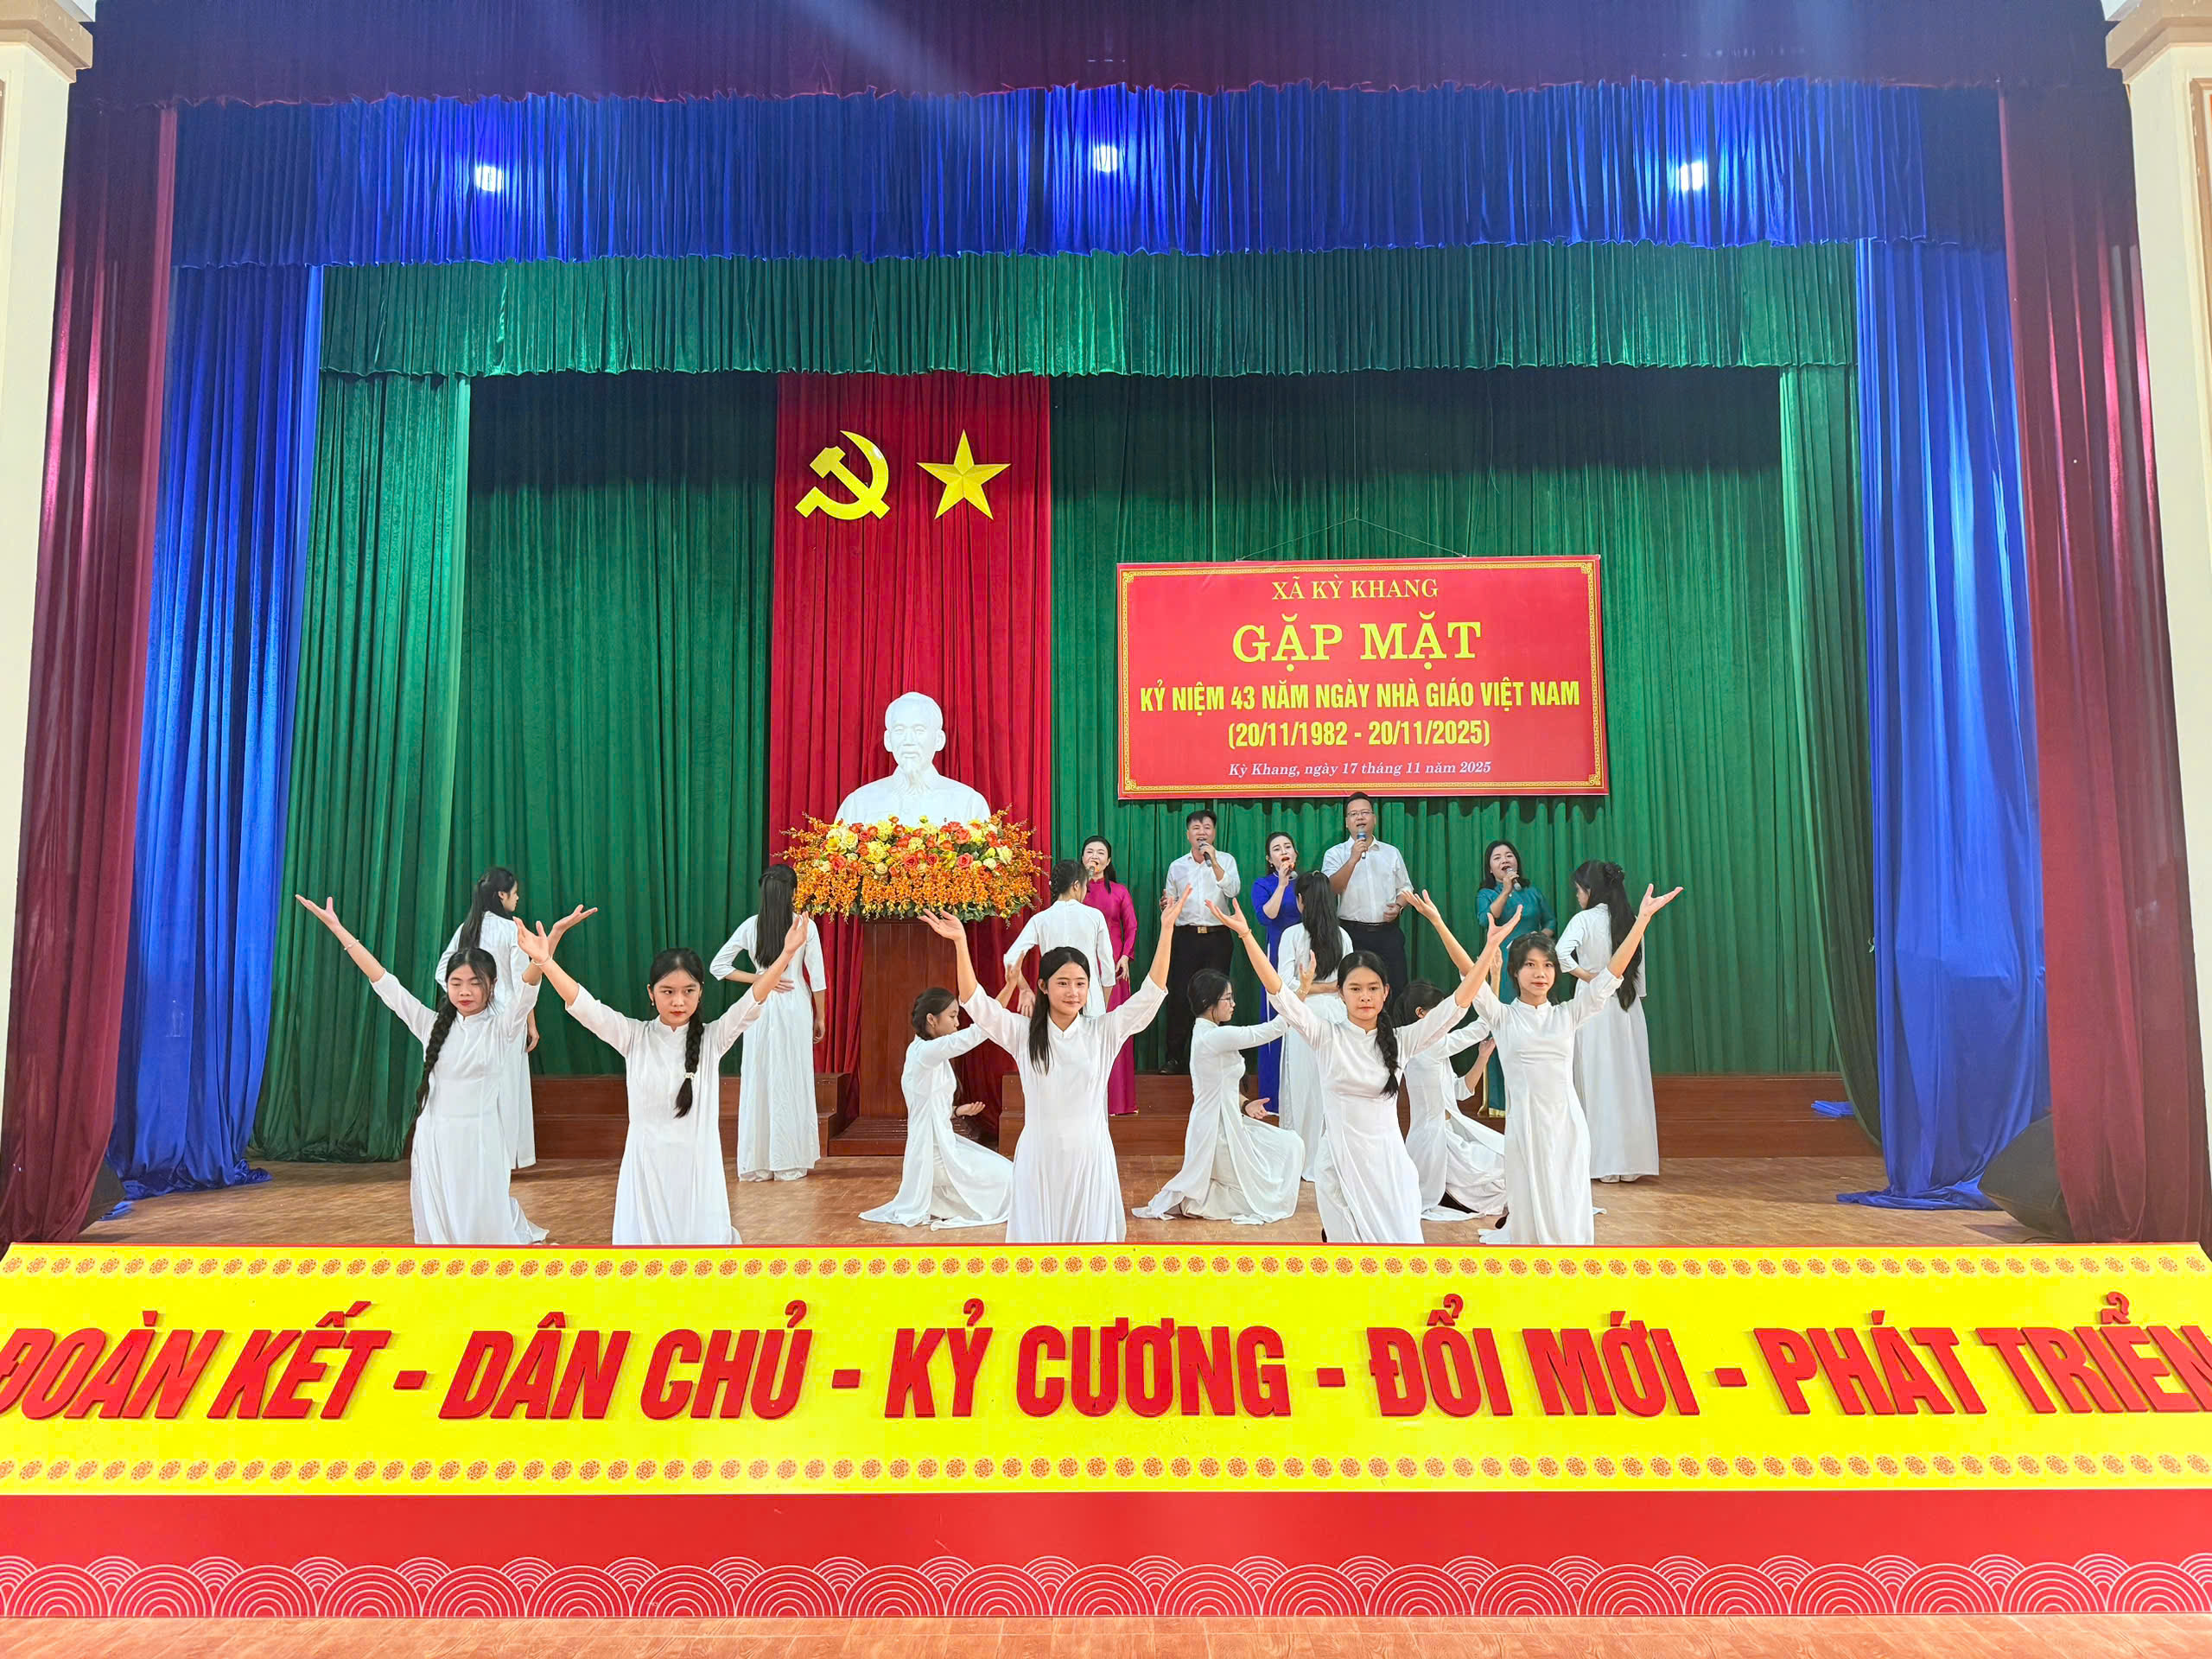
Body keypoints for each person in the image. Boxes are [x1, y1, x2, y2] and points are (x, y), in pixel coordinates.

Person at [294, 894, 587, 1246]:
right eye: (457, 983)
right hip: (434, 1140)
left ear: (492, 985)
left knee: (483, 1224)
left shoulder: (502, 1027)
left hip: (481, 1140)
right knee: (441, 1229)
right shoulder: (430, 1024)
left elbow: (527, 989)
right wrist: (339, 930)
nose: (465, 991)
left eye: (475, 983)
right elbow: (384, 981)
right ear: (447, 986)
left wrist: (548, 944)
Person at [1212, 892, 1490, 1245]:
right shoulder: (1325, 1036)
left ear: (1386, 992)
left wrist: (1459, 933)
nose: (1365, 996)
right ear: (1340, 993)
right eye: (1355, 988)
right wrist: (1246, 935)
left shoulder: (1402, 1041)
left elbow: (1459, 1003)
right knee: (1351, 1263)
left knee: (1400, 1260)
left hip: (1390, 1169)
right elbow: (1278, 991)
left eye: (1373, 988)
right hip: (1340, 1169)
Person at [527, 918, 811, 1246]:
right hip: (646, 1172)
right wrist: (545, 962)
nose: (678, 1001)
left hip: (698, 1172)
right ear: (651, 994)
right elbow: (585, 1006)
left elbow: (753, 1000)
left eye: (688, 991)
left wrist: (787, 954)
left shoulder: (713, 1039)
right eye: (668, 992)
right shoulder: (634, 1037)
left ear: (700, 992)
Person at [918, 890, 1179, 1243]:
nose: (1073, 992)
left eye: (1081, 984)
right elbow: (976, 1003)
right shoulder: (1023, 1033)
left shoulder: (1103, 1032)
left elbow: (1151, 994)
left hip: (1090, 1158)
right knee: (1039, 1252)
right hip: (1039, 1158)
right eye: (1063, 983)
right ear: (1042, 986)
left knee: (1089, 1255)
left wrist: (1167, 930)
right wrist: (961, 943)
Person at [1472, 884, 1681, 1247]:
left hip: (1568, 1126)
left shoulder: (1568, 1014)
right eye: (1530, 965)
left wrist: (1642, 921)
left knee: (1569, 1214)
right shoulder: (1504, 1017)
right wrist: (1482, 942)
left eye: (1548, 965)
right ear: (1515, 972)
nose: (1541, 973)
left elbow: (1612, 974)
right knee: (1530, 1223)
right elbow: (1469, 976)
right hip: (1525, 1129)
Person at [1132, 970, 1304, 1226]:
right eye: (1228, 998)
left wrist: (1246, 1104)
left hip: (1230, 1122)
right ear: (1208, 1002)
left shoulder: (1210, 1034)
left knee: (1290, 1145)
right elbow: (1274, 1029)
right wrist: (1303, 991)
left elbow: (1223, 1086)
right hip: (1215, 1131)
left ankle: (1197, 1197)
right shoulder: (1213, 1037)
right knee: (1261, 1195)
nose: (1233, 1004)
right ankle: (1193, 1202)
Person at [860, 989, 1014, 1230]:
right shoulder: (925, 1052)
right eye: (952, 1016)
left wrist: (958, 1111)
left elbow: (930, 1104)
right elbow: (977, 1032)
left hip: (942, 1144)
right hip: (931, 1152)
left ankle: (939, 1201)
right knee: (1008, 1177)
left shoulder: (928, 1052)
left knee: (1007, 1174)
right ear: (931, 1019)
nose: (957, 1022)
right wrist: (1010, 987)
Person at [710, 867, 828, 1182]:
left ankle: (758, 1164)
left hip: (759, 1005)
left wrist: (761, 979)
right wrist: (821, 1016)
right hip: (794, 1005)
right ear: (793, 892)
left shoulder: (751, 925)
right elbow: (817, 977)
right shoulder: (805, 926)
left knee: (759, 1076)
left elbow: (718, 967)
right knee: (792, 1077)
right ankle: (790, 1162)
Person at [1558, 860, 1661, 1184]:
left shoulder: (1584, 920)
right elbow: (1638, 980)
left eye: (1578, 890)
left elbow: (1560, 954)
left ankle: (1601, 1163)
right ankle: (1631, 1163)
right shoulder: (1630, 920)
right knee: (1628, 1081)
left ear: (1590, 890)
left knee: (1597, 1080)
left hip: (1594, 1007)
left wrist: (1590, 977)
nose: (1577, 896)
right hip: (1627, 1009)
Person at [1391, 960, 1506, 1224]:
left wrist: (1482, 1057)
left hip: (1447, 1137)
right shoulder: (1427, 1046)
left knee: (1507, 1165)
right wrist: (1495, 977)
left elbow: (1461, 1091)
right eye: (1440, 1011)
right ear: (1421, 1014)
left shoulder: (1430, 1046)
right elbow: (1482, 1026)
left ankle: (1450, 1194)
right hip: (1437, 1143)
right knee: (1505, 1168)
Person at [443, 867, 537, 1171]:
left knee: (477, 1089)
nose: (517, 898)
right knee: (506, 1090)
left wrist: (468, 998)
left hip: (472, 1021)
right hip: (507, 1021)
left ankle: (477, 1158)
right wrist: (530, 1024)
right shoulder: (511, 931)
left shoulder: (467, 929)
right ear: (501, 895)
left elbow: (442, 971)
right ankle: (505, 1159)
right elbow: (524, 983)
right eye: (514, 893)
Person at [1272, 871, 1354, 1179]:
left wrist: (1313, 986)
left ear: (1301, 901)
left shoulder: (1292, 935)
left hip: (1304, 1015)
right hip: (1336, 1016)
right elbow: (1347, 983)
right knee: (1331, 1088)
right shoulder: (1343, 936)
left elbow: (1283, 983)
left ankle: (1302, 1159)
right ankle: (1329, 1161)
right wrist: (1330, 987)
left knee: (1303, 1088)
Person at [1472, 838, 1555, 1113]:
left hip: (1533, 966)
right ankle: (1501, 1101)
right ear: (1490, 868)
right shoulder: (1487, 893)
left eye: (1509, 855)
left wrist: (1538, 939)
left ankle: (1538, 1095)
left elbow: (1551, 920)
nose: (1505, 860)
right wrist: (1506, 890)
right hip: (1503, 967)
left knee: (1535, 1025)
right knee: (1505, 1026)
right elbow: (1486, 919)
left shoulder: (1532, 891)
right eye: (1497, 858)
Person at [1160, 809, 1240, 1073]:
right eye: (1196, 828)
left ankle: (1219, 1055)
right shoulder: (1177, 866)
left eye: (1207, 827)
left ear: (1214, 833)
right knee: (1180, 996)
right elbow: (1170, 900)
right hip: (1185, 938)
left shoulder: (1226, 860)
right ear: (1188, 835)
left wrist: (1214, 862)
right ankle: (1174, 1058)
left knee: (1219, 995)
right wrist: (1166, 904)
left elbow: (1233, 890)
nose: (1201, 832)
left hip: (1218, 937)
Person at [1321, 793, 1414, 994]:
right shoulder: (1335, 853)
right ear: (1347, 822)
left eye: (1365, 812)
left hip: (1388, 933)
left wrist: (1398, 906)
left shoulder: (1391, 853)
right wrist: (1352, 859)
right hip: (1351, 935)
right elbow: (1331, 889)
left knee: (1395, 989)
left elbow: (1406, 888)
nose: (1360, 817)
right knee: (1355, 990)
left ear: (1374, 818)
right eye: (1353, 814)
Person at [1003, 859, 1116, 1019]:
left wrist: (1024, 989)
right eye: (1085, 887)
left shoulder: (1040, 919)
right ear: (1076, 885)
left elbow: (1011, 959)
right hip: (1089, 1002)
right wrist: (1101, 1004)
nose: (1085, 892)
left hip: (1054, 1003)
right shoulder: (1095, 916)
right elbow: (1108, 967)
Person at [1078, 835, 1141, 1117]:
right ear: (1082, 858)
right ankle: (1084, 1101)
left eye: (1100, 852)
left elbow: (1132, 926)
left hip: (1113, 969)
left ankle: (1117, 1101)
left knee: (1113, 1031)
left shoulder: (1119, 891)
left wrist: (1126, 956)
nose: (1095, 856)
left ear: (1109, 860)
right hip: (1080, 967)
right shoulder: (1075, 891)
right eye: (1090, 852)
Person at [1247, 830, 1302, 1114]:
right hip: (1277, 955)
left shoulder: (1307, 883)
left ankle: (1302, 1095)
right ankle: (1274, 1099)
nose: (1284, 851)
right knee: (1276, 1021)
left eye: (1288, 847)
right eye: (1277, 849)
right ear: (1270, 859)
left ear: (1296, 854)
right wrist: (1281, 884)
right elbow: (1266, 915)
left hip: (1305, 955)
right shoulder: (1263, 884)